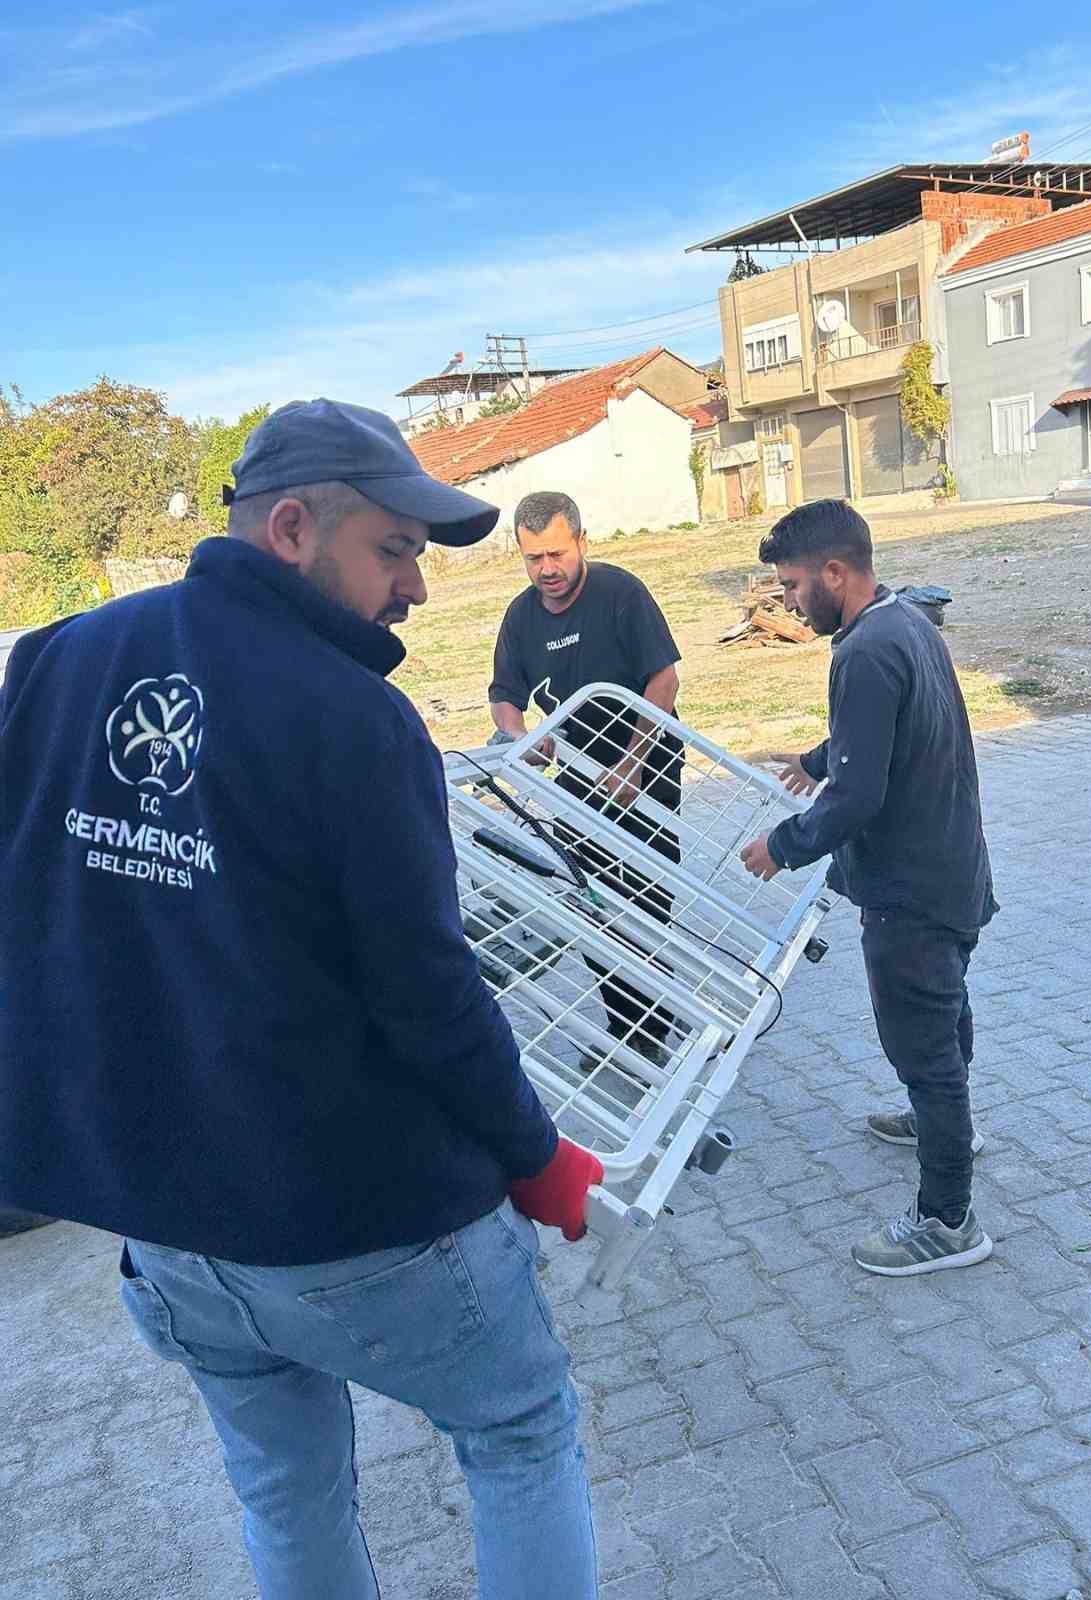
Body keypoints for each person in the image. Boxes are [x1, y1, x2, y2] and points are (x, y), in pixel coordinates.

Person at [0, 400, 602, 1600]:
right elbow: (430, 992)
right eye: (394, 551)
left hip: (168, 1227)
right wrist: (537, 1156)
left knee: (286, 1493)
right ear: (290, 529)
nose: (415, 591)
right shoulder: (355, 720)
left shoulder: (55, 660)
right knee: (519, 1428)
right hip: (358, 1227)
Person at [740, 499, 997, 1277]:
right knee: (942, 1013)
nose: (786, 601)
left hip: (911, 890)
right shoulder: (903, 620)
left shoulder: (863, 652)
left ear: (834, 572)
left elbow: (861, 798)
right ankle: (944, 1121)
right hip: (953, 868)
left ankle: (947, 1219)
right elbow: (878, 734)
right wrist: (818, 760)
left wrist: (781, 846)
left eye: (790, 585)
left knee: (922, 1045)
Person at [488, 491, 683, 1067]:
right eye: (533, 558)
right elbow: (504, 694)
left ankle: (654, 1027)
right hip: (575, 778)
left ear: (581, 542)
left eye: (556, 553)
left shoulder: (621, 593)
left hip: (644, 766)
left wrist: (632, 761)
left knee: (644, 898)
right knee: (592, 898)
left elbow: (663, 681)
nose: (546, 569)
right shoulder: (521, 616)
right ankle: (622, 1032)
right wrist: (521, 737)